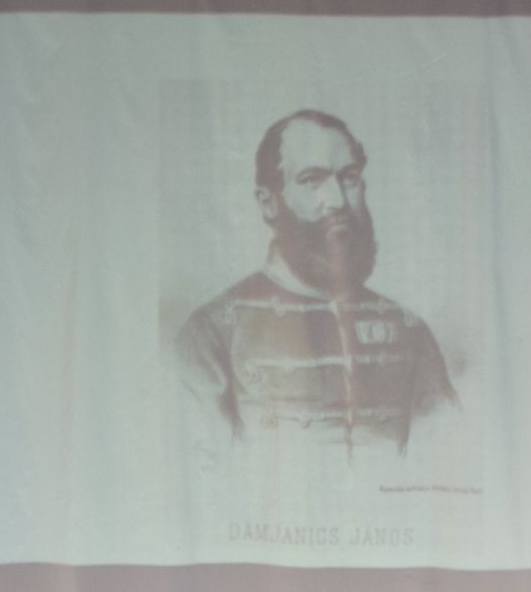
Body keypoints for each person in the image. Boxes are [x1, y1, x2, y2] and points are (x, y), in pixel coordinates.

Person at [176, 109, 456, 453]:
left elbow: (447, 456)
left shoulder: (408, 331)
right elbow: (205, 469)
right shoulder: (213, 333)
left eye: (349, 178)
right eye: (312, 180)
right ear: (268, 203)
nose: (336, 201)